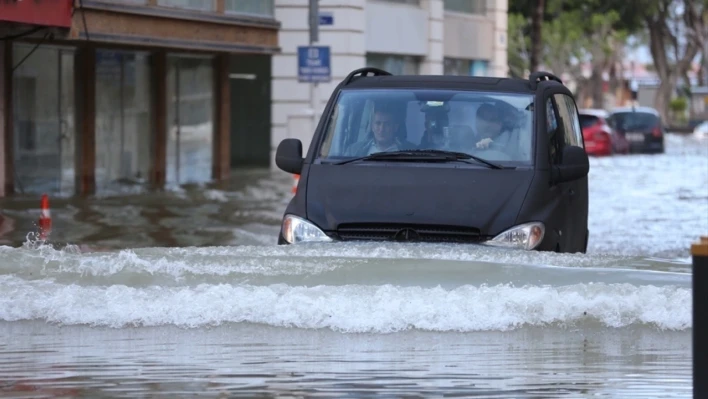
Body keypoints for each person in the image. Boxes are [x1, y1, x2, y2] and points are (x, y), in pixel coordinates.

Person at [346, 104, 416, 156]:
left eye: (387, 124)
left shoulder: (412, 152)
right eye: (378, 123)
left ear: (395, 127)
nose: (382, 129)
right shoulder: (353, 151)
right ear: (372, 127)